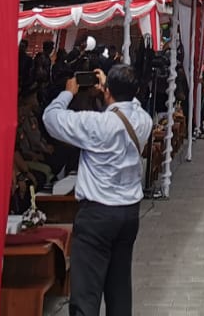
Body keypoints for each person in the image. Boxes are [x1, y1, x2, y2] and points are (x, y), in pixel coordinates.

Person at [41, 66, 153, 316]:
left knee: (86, 292)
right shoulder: (144, 120)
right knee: (120, 287)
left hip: (97, 215)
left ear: (107, 91)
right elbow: (131, 102)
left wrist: (67, 93)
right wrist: (115, 88)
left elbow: (51, 118)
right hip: (128, 214)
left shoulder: (97, 123)